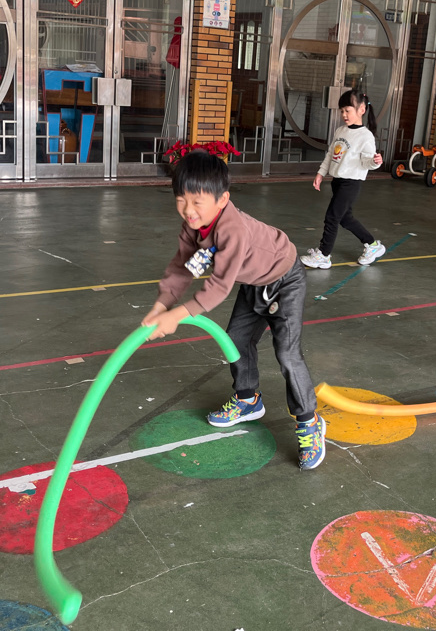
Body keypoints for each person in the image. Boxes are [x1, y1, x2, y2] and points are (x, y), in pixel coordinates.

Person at [141, 151, 326, 470]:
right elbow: (182, 268)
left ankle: (309, 422)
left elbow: (218, 287)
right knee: (236, 339)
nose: (188, 210)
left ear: (222, 199)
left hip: (285, 279)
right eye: (181, 200)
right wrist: (161, 306)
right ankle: (247, 399)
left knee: (287, 353)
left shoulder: (232, 229)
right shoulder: (193, 227)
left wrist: (175, 316)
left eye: (197, 202)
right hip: (254, 282)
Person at [300, 89, 385, 270]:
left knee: (332, 217)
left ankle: (324, 255)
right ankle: (372, 245)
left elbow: (366, 162)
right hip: (337, 181)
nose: (344, 115)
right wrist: (321, 173)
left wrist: (375, 162)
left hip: (351, 182)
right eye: (342, 111)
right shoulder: (340, 130)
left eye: (348, 110)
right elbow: (331, 154)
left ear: (361, 109)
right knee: (345, 218)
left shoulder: (365, 136)